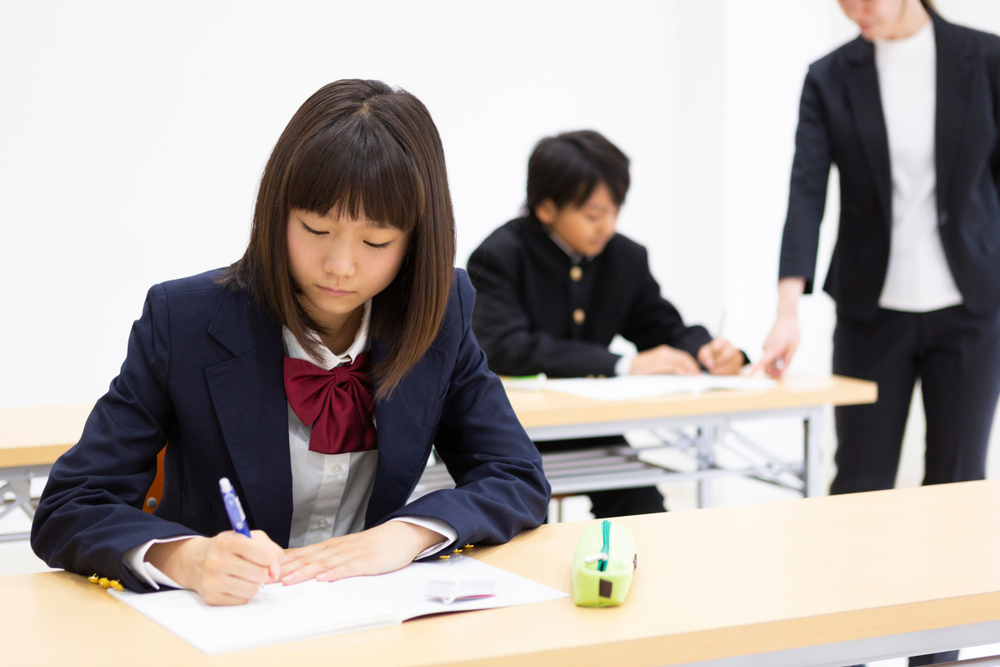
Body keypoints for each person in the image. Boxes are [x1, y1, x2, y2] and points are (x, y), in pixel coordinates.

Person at [30, 79, 550, 606]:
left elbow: (516, 475)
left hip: (371, 613)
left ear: (417, 242)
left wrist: (406, 534)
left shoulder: (439, 312)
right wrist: (185, 558)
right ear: (276, 212)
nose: (340, 266)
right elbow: (71, 504)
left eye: (376, 242)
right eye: (315, 229)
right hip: (220, 622)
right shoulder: (184, 320)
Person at [756, 2, 1000, 664]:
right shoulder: (831, 75)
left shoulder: (985, 58)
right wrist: (788, 307)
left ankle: (937, 655)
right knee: (858, 488)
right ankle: (847, 651)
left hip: (973, 307)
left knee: (956, 486)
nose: (857, 11)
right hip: (871, 311)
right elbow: (806, 192)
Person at [467, 130, 745, 518]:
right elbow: (504, 348)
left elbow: (661, 325)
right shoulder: (500, 254)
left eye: (615, 212)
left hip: (588, 426)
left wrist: (707, 349)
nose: (608, 227)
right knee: (523, 517)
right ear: (546, 208)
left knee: (644, 510)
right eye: (594, 215)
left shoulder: (624, 258)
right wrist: (622, 364)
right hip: (514, 429)